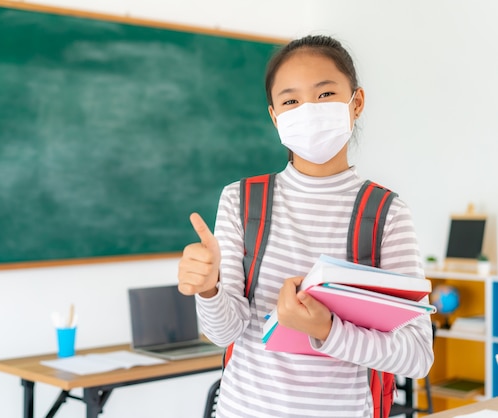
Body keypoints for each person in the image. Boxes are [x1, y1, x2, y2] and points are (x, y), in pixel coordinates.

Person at [177, 35, 434, 417]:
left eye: (325, 94)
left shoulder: (386, 213)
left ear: (356, 102)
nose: (308, 109)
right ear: (275, 116)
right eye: (291, 100)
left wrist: (327, 330)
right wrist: (210, 289)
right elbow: (223, 333)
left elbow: (417, 356)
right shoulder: (241, 200)